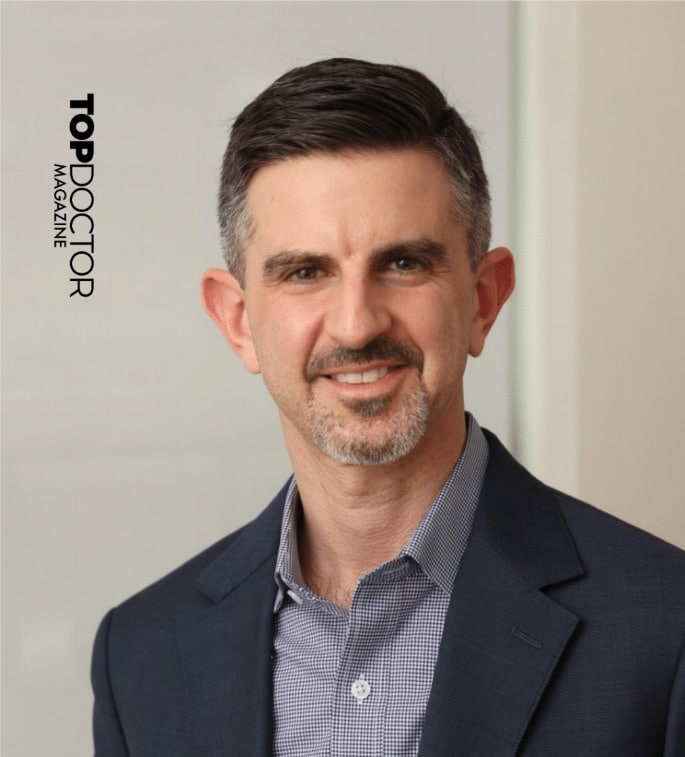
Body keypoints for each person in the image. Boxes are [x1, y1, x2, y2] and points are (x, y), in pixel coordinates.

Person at [91, 58, 685, 756]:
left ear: (483, 299)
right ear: (236, 320)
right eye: (305, 272)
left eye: (402, 263)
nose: (354, 324)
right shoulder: (142, 657)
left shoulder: (665, 629)